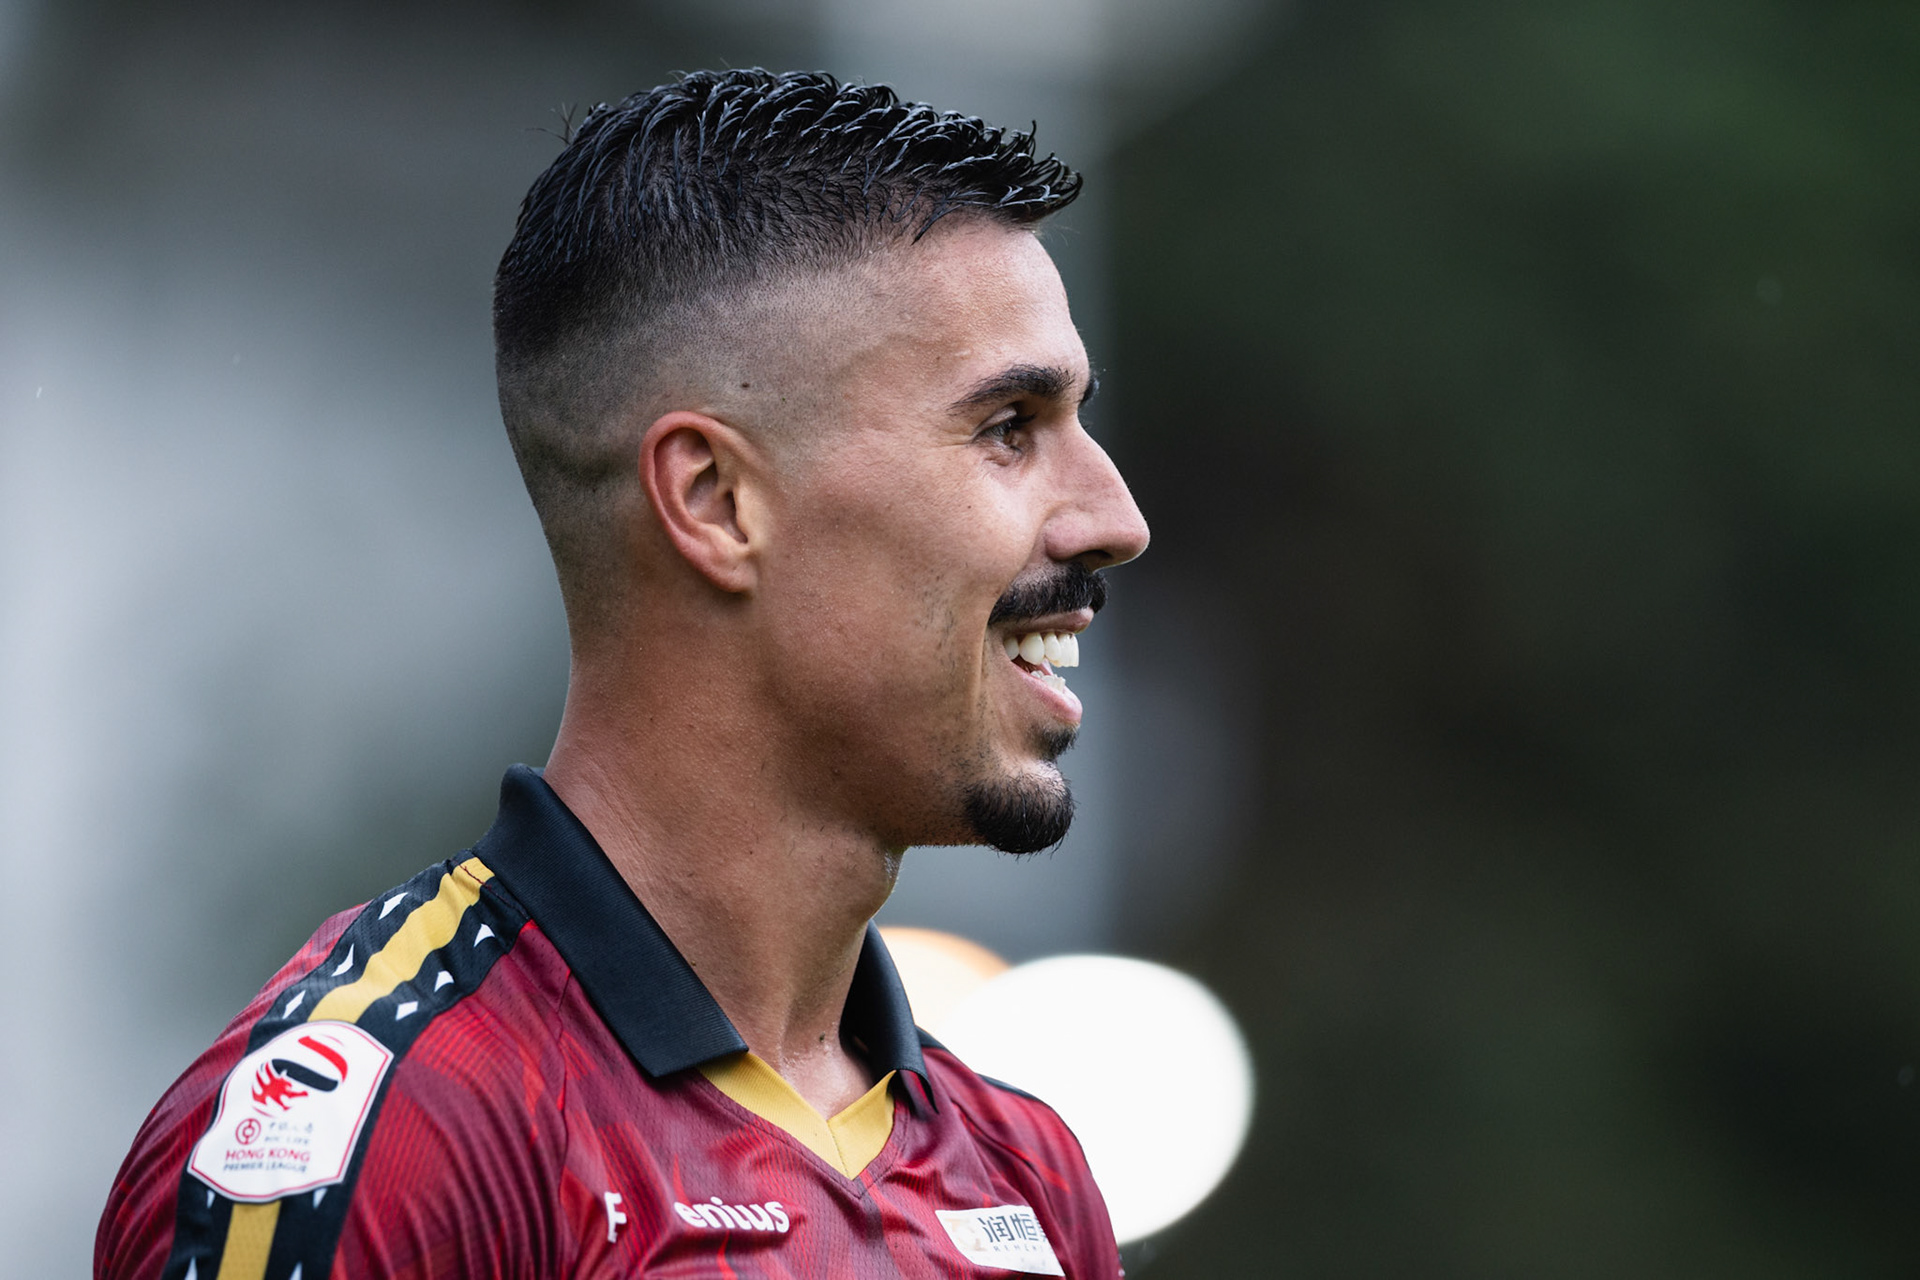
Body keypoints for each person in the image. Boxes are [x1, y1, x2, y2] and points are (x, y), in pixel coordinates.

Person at [96, 68, 1149, 1279]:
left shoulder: (1028, 1172)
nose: (1114, 516)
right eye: (1010, 426)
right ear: (715, 500)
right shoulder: (390, 1129)